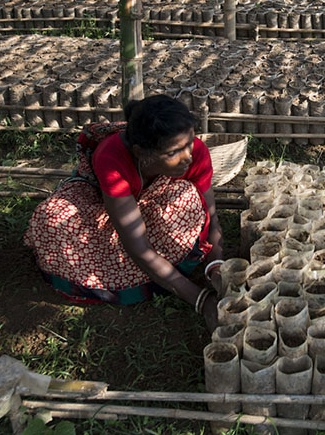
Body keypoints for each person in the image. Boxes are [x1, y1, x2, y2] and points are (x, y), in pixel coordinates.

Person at [24, 95, 225, 329]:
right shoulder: (111, 159)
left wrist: (217, 268)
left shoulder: (194, 154)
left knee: (188, 198)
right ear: (141, 152)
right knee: (55, 218)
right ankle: (155, 277)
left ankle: (167, 273)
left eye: (190, 142)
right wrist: (202, 300)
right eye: (173, 152)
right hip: (102, 207)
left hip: (149, 205)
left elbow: (213, 221)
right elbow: (138, 248)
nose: (187, 156)